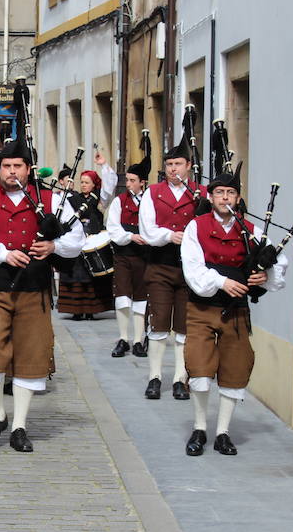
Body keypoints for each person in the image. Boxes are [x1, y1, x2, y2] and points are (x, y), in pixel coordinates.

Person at [0, 138, 85, 452]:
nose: (11, 171)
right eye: (6, 166)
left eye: (17, 166)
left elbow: (77, 237)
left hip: (34, 289)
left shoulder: (50, 198)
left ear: (29, 169)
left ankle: (19, 426)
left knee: (31, 356)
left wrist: (53, 246)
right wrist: (3, 254)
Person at [181, 167, 286, 456]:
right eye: (219, 193)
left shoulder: (251, 229)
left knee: (235, 371)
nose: (225, 198)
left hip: (237, 312)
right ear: (211, 197)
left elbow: (277, 262)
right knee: (200, 370)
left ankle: (223, 432)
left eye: (230, 193)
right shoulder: (196, 226)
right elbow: (193, 269)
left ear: (238, 198)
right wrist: (222, 281)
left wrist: (265, 277)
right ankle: (200, 427)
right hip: (202, 308)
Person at [138, 138, 207, 400]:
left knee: (183, 327)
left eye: (178, 164)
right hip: (160, 266)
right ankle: (154, 377)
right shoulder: (153, 193)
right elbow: (147, 230)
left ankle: (180, 378)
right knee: (158, 324)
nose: (173, 169)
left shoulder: (201, 193)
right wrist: (169, 236)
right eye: (169, 164)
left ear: (189, 166)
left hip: (190, 270)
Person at [105, 153, 151, 357]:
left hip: (145, 256)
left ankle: (139, 340)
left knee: (142, 298)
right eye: (127, 180)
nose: (129, 184)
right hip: (124, 254)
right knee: (122, 296)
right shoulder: (119, 201)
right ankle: (123, 338)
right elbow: (113, 228)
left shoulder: (151, 201)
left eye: (133, 181)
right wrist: (131, 237)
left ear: (143, 182)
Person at [56, 166, 115, 320]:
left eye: (87, 182)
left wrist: (103, 165)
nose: (83, 185)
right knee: (75, 275)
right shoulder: (72, 199)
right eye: (81, 182)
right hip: (77, 242)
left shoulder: (100, 199)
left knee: (92, 276)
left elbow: (109, 186)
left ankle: (91, 310)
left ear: (94, 184)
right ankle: (75, 309)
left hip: (93, 242)